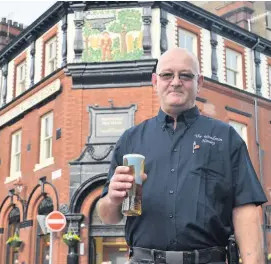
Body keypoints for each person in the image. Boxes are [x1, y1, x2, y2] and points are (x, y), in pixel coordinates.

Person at [97, 47, 268, 264]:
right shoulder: (130, 140)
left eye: (185, 75)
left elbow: (246, 210)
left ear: (200, 82)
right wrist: (112, 198)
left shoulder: (225, 137)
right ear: (154, 81)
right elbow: (108, 216)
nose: (176, 82)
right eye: (167, 75)